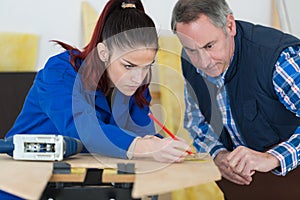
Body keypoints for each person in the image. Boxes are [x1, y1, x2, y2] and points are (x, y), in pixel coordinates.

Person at [1, 0, 192, 199]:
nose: (139, 77)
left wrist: (165, 148)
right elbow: (85, 129)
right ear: (103, 53)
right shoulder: (60, 72)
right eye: (129, 66)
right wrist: (145, 147)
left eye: (147, 67)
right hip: (21, 184)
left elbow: (139, 138)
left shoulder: (137, 87)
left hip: (84, 185)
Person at [171, 0, 300, 186]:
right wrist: (218, 154)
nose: (203, 62)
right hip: (248, 188)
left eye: (209, 46)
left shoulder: (278, 61)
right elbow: (197, 124)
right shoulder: (191, 63)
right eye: (191, 50)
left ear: (229, 25)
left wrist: (273, 158)